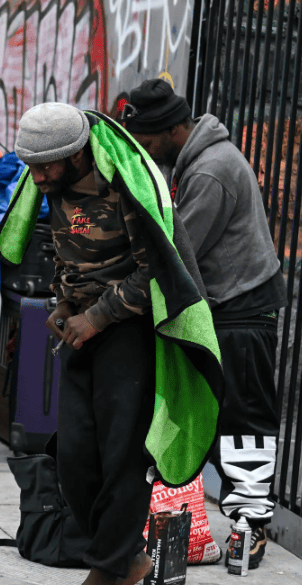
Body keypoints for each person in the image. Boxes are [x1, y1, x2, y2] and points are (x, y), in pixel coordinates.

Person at [124, 78, 288, 570]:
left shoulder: (212, 170)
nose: (148, 152)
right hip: (223, 311)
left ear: (174, 129)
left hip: (241, 311)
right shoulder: (196, 160)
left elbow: (178, 252)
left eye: (150, 142)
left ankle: (250, 526)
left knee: (245, 421)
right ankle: (232, 519)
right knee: (216, 417)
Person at [1, 102, 155, 585]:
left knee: (121, 455)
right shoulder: (52, 186)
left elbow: (156, 273)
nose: (38, 175)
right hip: (82, 331)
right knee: (73, 457)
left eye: (47, 164)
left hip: (128, 332)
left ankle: (112, 567)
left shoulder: (123, 187)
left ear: (77, 154)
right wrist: (64, 305)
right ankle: (121, 560)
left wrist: (98, 316)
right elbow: (72, 260)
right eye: (32, 164)